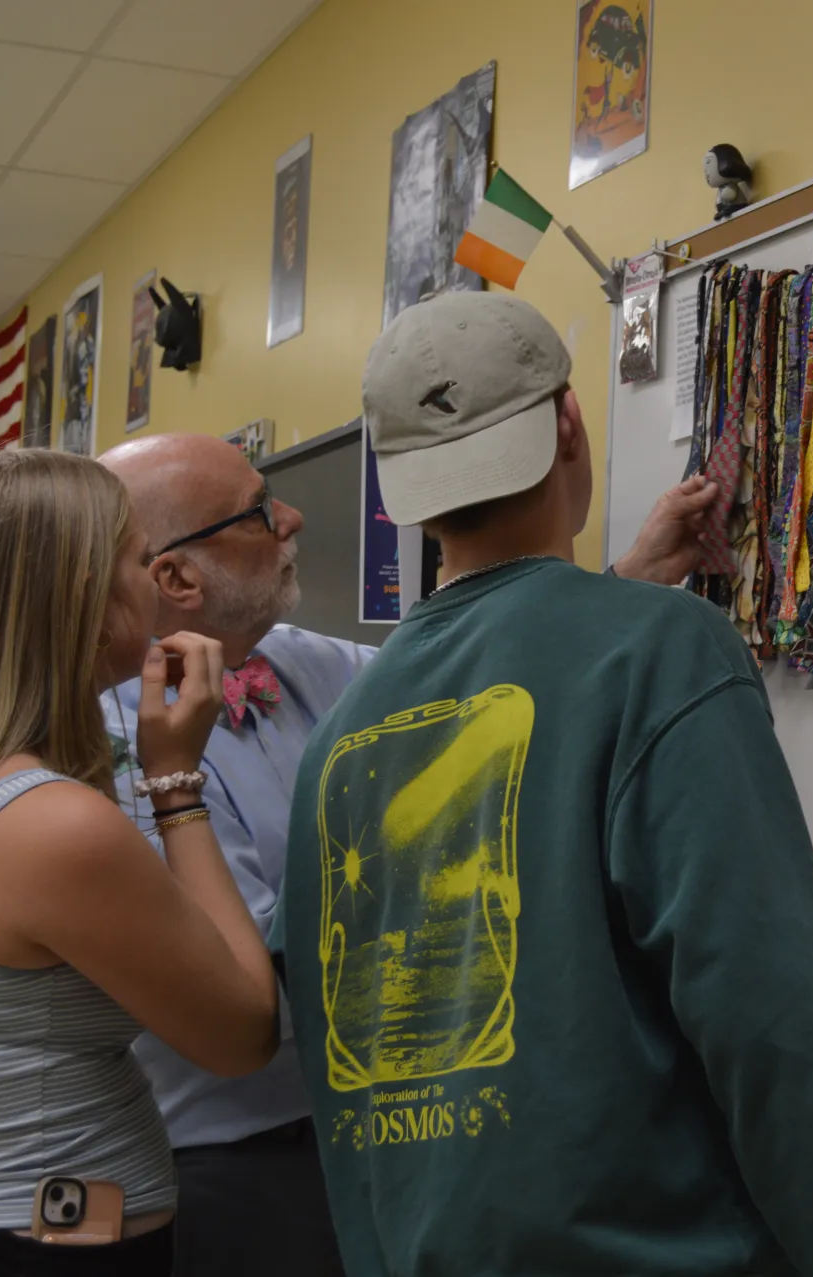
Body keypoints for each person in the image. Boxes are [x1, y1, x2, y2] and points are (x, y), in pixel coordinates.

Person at [279, 290, 813, 1277]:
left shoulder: (340, 736)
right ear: (569, 420)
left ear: (398, 485)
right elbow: (775, 1022)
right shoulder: (662, 651)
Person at [96, 430, 717, 1276]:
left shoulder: (303, 662)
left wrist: (629, 583)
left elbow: (477, 686)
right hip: (245, 1173)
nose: (293, 515)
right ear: (177, 578)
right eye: (256, 511)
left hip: (390, 1134)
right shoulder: (113, 750)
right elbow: (266, 994)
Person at [0, 450, 274, 1275]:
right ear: (80, 596)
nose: (154, 582)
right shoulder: (52, 825)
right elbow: (242, 1031)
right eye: (138, 560)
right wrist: (176, 781)